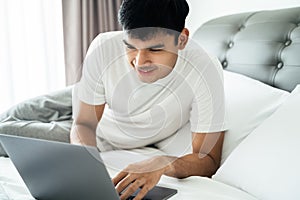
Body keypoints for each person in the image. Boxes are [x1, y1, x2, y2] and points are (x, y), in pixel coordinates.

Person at [71, 0, 227, 199]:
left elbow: (209, 160)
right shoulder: (103, 47)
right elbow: (83, 123)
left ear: (182, 39)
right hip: (100, 133)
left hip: (149, 140)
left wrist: (161, 162)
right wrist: (85, 162)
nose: (139, 62)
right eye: (131, 47)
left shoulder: (205, 68)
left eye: (154, 50)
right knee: (24, 133)